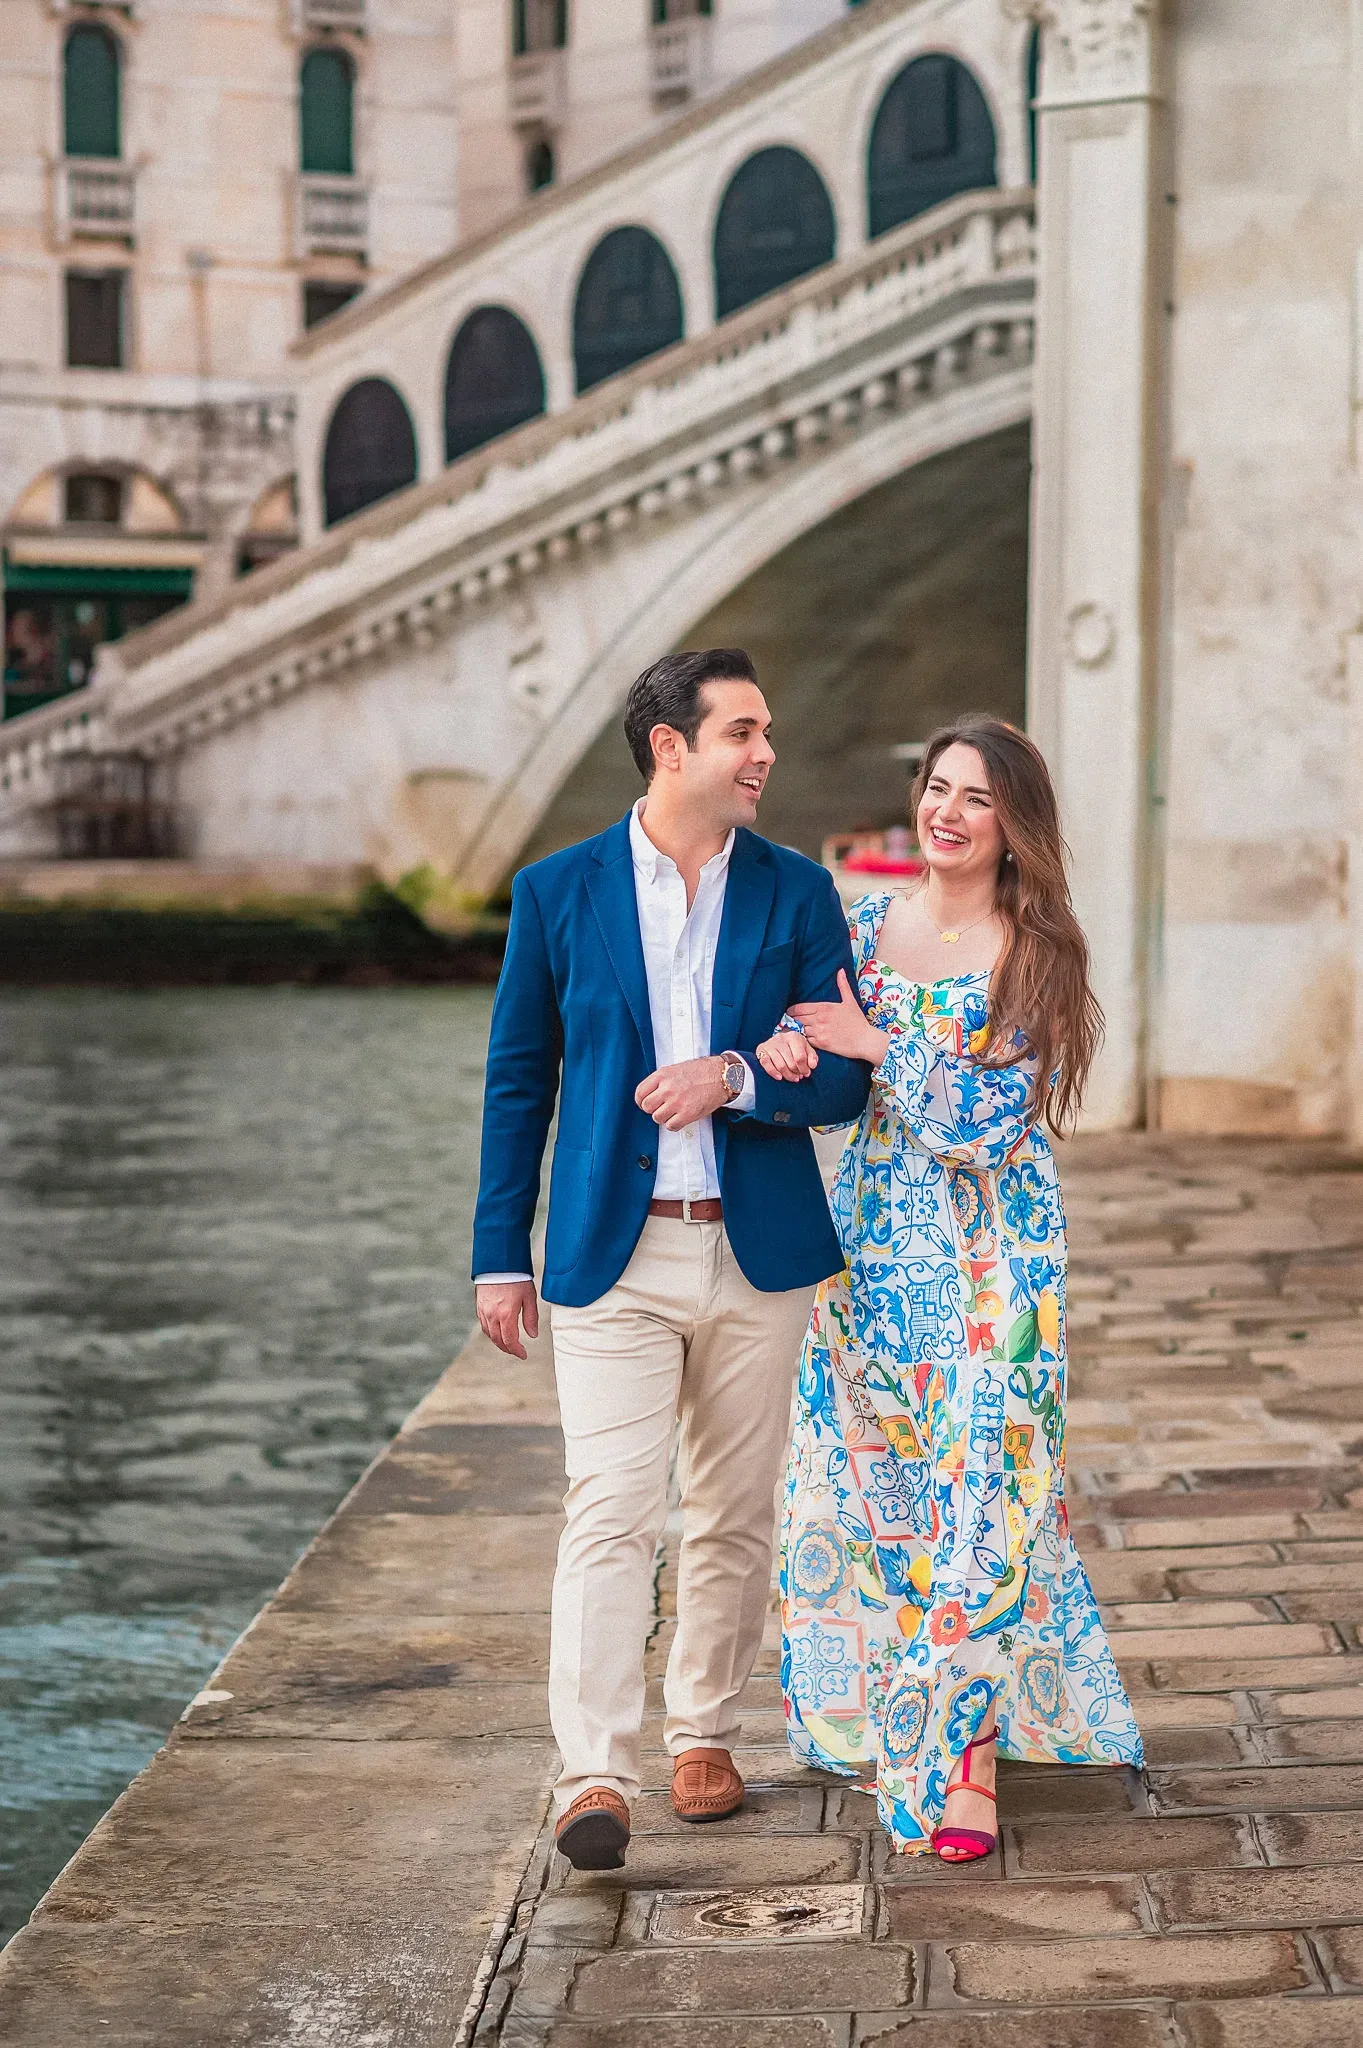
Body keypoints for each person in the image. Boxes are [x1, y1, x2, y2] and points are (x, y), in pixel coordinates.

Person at [472, 648, 872, 1872]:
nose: (765, 755)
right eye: (743, 732)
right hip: (611, 1252)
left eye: (768, 732)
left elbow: (848, 1072)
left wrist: (739, 1075)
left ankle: (705, 1729)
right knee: (611, 1511)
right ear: (671, 747)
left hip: (757, 1257)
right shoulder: (556, 890)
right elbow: (517, 1079)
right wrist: (500, 1249)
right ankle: (594, 1768)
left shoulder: (800, 894)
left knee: (735, 1514)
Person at [758, 715, 1143, 1862]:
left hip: (998, 1268)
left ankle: (963, 1758)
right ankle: (899, 1709)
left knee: (989, 1492)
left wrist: (879, 1044)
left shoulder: (1038, 949)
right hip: (872, 1255)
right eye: (935, 787)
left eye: (975, 797)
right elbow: (816, 1042)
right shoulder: (864, 925)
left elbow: (984, 1121)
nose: (946, 811)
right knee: (883, 1495)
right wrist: (792, 1048)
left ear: (1012, 824)